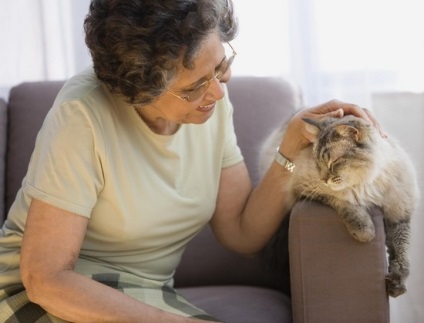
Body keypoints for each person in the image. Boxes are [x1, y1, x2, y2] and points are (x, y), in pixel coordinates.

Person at [0, 0, 384, 322]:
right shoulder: (81, 115)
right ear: (139, 88)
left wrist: (290, 146)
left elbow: (242, 234)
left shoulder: (212, 105)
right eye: (194, 86)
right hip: (41, 294)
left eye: (220, 67)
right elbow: (46, 278)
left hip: (139, 295)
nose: (216, 91)